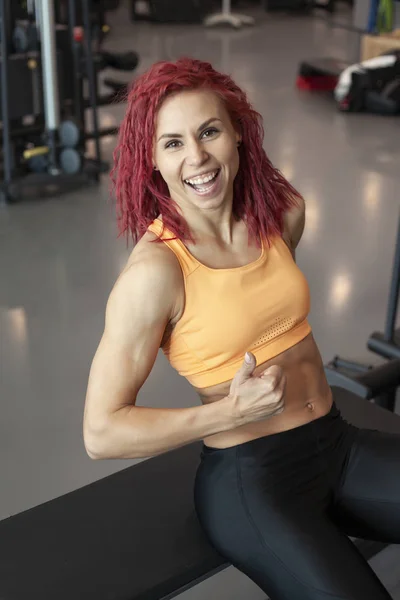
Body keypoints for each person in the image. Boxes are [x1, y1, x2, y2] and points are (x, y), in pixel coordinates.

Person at [83, 57, 400, 600]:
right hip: (252, 482)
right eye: (173, 143)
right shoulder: (154, 274)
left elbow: (262, 307)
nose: (198, 157)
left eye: (209, 132)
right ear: (152, 161)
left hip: (335, 441)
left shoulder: (284, 214)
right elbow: (101, 432)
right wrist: (228, 413)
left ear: (237, 135)